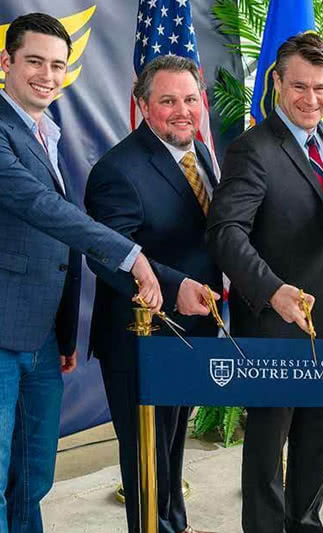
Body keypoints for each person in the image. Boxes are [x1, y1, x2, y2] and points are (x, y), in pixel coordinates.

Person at [0, 12, 160, 533]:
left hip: (43, 336)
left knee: (33, 477)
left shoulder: (45, 130)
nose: (47, 75)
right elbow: (40, 206)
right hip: (1, 335)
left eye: (57, 65)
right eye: (34, 62)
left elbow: (53, 248)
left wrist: (65, 329)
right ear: (6, 62)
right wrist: (130, 255)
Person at [206, 33, 323, 533]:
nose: (311, 100)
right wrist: (271, 289)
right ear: (277, 83)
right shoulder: (253, 149)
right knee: (269, 443)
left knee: (318, 432)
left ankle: (306, 524)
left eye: (322, 88)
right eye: (300, 87)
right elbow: (225, 233)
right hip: (272, 324)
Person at [84, 55, 222, 533]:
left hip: (191, 332)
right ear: (143, 105)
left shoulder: (200, 153)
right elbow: (107, 254)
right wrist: (175, 285)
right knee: (146, 455)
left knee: (173, 447)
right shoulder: (116, 170)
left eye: (189, 99)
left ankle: (174, 525)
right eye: (167, 101)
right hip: (139, 338)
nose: (182, 110)